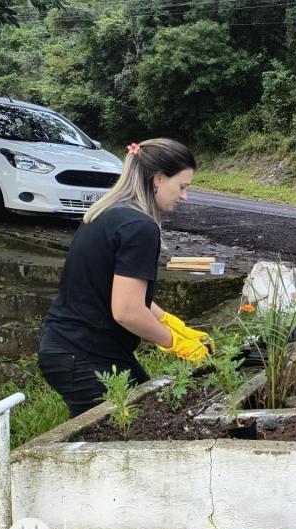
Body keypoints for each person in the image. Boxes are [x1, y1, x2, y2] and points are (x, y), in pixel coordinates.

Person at [38, 138, 211, 418]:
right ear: (158, 178)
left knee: (147, 415)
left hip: (72, 347)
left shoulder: (109, 213)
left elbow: (120, 292)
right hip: (85, 354)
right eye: (182, 186)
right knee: (134, 427)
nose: (184, 197)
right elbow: (127, 311)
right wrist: (176, 343)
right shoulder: (140, 227)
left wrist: (171, 323)